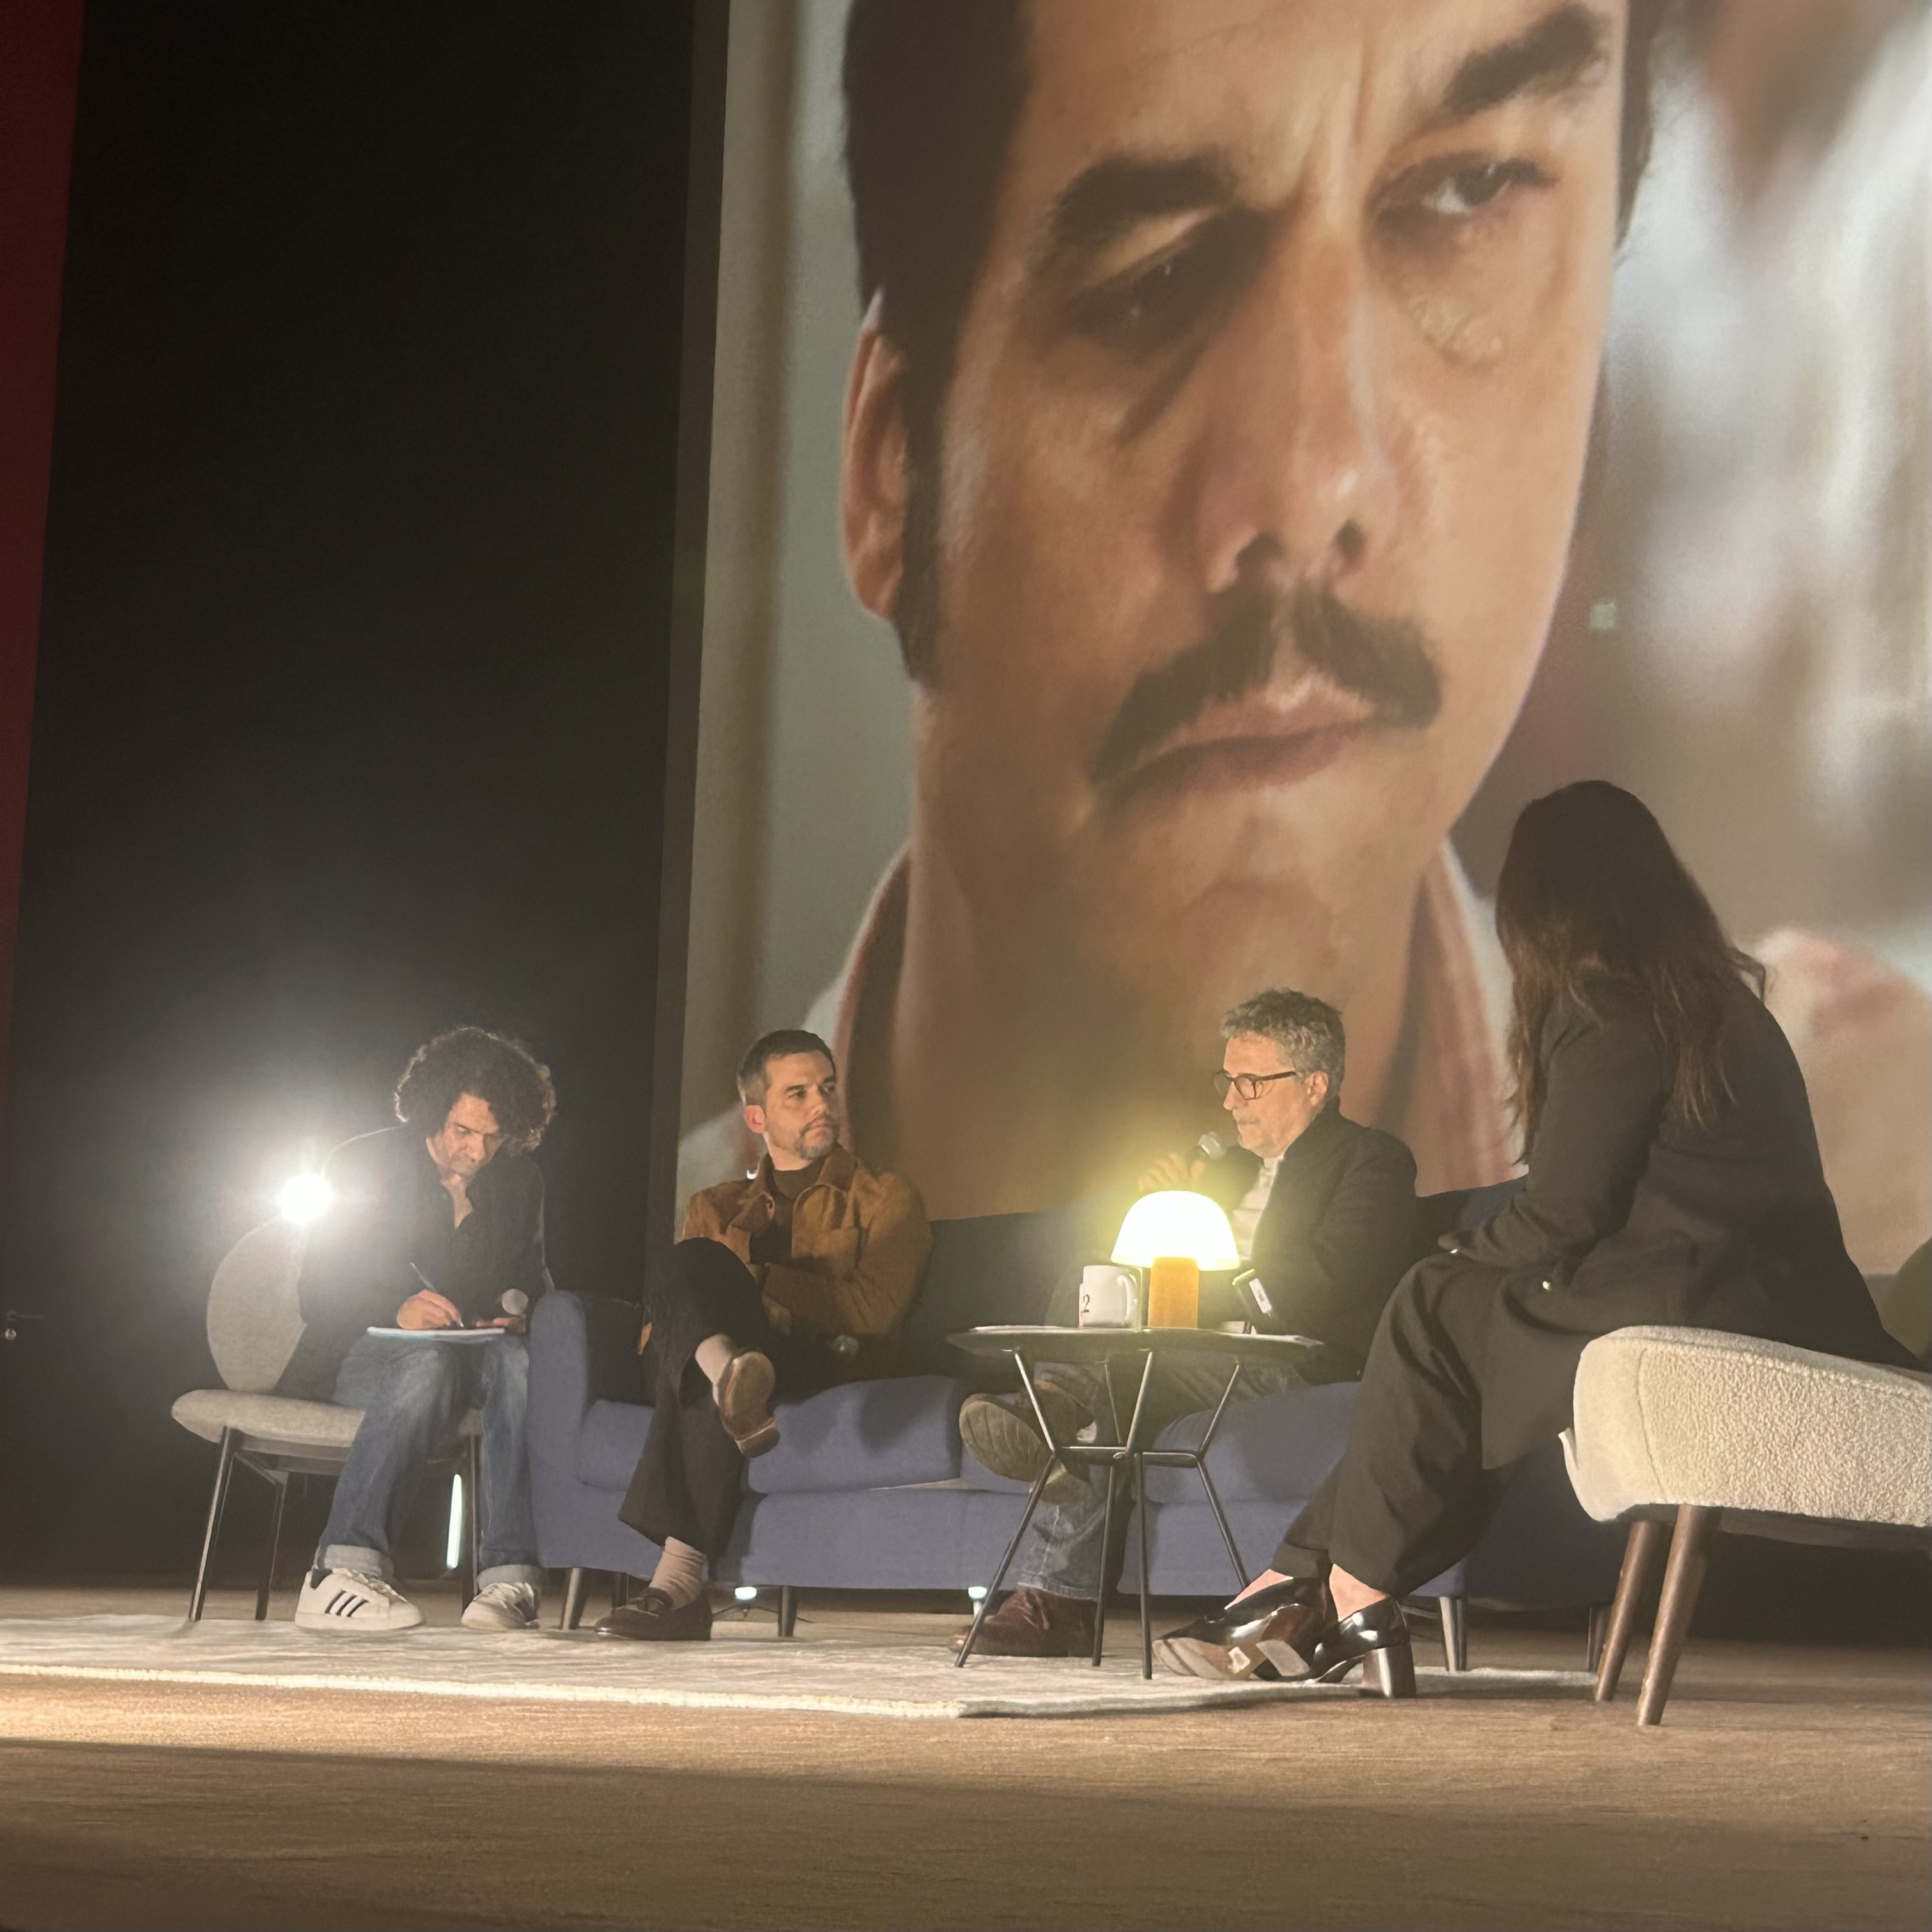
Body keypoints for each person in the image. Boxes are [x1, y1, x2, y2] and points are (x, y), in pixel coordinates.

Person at [679, 0, 1928, 1279]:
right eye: (1151, 276)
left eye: (1467, 193)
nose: (1313, 486)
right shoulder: (694, 1285)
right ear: (891, 467)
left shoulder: (1782, 1171)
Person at [1157, 782, 1919, 1689]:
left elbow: (1563, 1211)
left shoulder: (1606, 1004)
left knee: (1431, 1306)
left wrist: (1448, 1253)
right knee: (1448, 1340)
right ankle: (1314, 1589)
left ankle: (1329, 1590)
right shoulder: (1704, 999)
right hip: (1744, 1286)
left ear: (1537, 904)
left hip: (1700, 1294)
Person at [955, 989, 1417, 1657]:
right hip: (1190, 1357)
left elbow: (1326, 1275)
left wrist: (1191, 1299)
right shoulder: (1224, 1172)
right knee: (1092, 1285)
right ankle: (1058, 1544)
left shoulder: (1370, 1160)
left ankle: (1055, 1431)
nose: (1230, 1100)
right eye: (1226, 1082)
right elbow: (1151, 1257)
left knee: (1111, 1372)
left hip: (1293, 1360)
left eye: (1249, 1082)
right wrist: (1162, 1205)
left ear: (1314, 1085)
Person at [597, 1030, 931, 1641]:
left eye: (827, 1088)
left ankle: (675, 1585)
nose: (821, 1105)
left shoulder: (884, 1196)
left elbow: (873, 1310)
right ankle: (730, 1374)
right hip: (723, 1352)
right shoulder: (716, 1203)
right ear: (757, 1116)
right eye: (797, 1094)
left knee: (705, 1336)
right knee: (695, 1262)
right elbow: (659, 1325)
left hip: (811, 1357)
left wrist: (763, 1282)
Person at [282, 1027, 556, 1635]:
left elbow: (532, 1283)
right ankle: (339, 1569)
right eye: (463, 1131)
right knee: (427, 1363)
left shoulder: (518, 1181)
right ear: (432, 1111)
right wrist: (397, 1308)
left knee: (521, 1361)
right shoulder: (362, 1163)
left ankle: (508, 1577)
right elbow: (319, 1290)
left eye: (493, 1136)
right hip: (365, 1349)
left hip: (472, 1352)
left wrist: (519, 1312)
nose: (477, 1151)